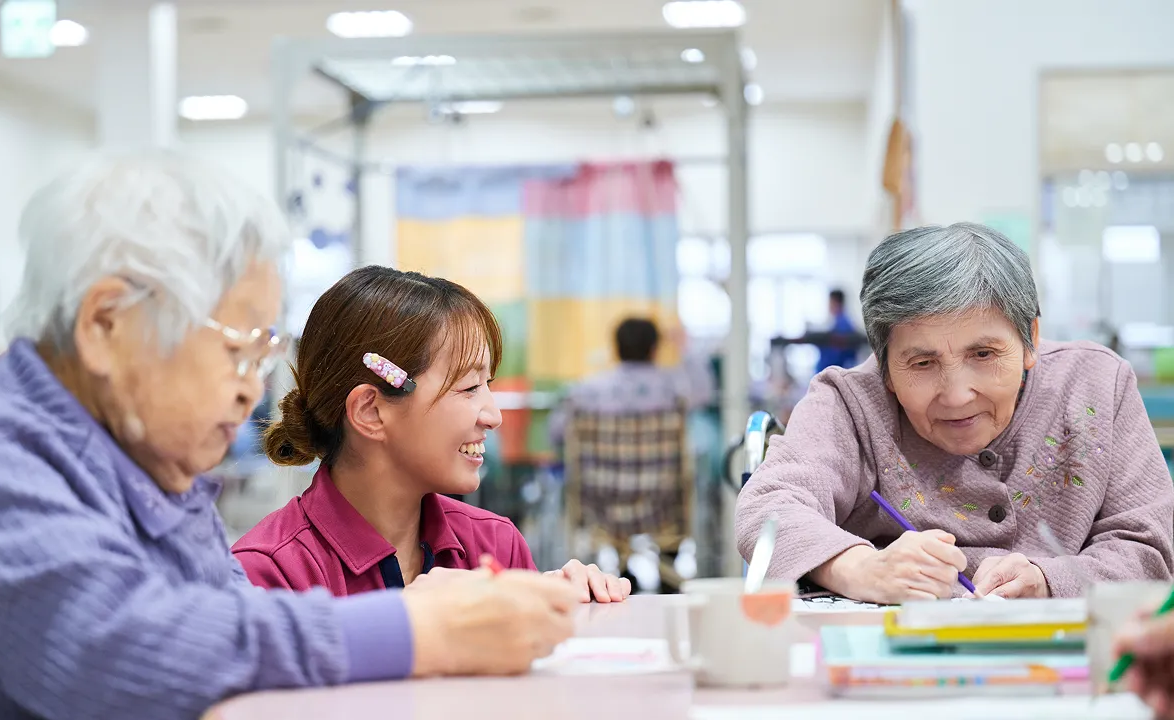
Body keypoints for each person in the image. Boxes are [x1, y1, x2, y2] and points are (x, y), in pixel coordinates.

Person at [0, 153, 578, 720]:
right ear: (105, 325)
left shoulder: (137, 455)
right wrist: (420, 627)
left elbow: (225, 615)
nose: (253, 388)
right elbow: (119, 656)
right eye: (240, 349)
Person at [735, 223, 1174, 604]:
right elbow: (768, 511)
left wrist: (1048, 580)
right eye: (922, 364)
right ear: (885, 364)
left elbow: (1149, 546)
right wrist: (861, 567)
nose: (958, 395)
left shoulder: (1096, 384)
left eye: (984, 353)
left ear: (1030, 340)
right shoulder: (850, 404)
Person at [232, 266, 631, 603]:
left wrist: (574, 609)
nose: (493, 416)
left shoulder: (495, 544)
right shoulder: (268, 575)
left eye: (488, 384)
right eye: (469, 387)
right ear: (370, 411)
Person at [548, 317, 715, 446]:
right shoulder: (672, 390)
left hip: (600, 488)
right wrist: (685, 347)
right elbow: (705, 393)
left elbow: (556, 434)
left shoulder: (587, 392)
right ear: (654, 350)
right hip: (659, 487)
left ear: (616, 348)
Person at [814, 288, 862, 372]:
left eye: (830, 302)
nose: (828, 306)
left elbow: (835, 356)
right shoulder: (843, 322)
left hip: (835, 370)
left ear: (835, 302)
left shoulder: (842, 324)